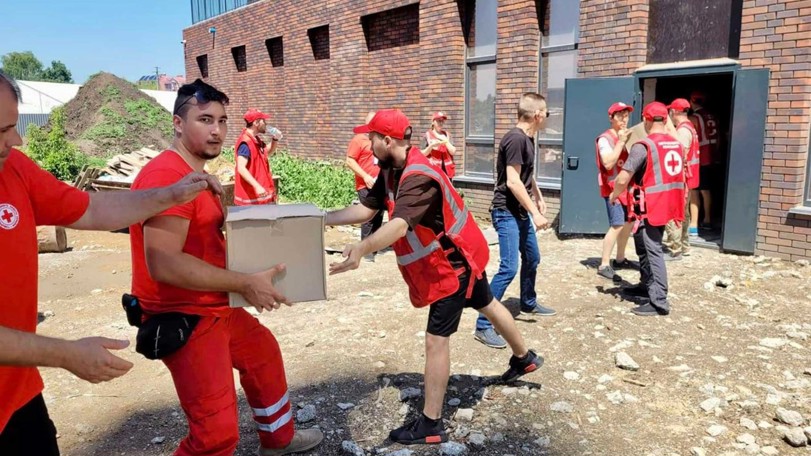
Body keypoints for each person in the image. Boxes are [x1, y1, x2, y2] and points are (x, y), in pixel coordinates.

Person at [0, 70, 225, 456]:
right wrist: (66, 353)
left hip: (16, 392)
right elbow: (165, 263)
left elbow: (93, 209)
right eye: (2, 131)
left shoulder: (14, 169)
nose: (17, 140)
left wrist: (172, 194)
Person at [325, 109, 543, 446]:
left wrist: (361, 248)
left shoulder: (417, 176)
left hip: (451, 266)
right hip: (461, 257)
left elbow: (398, 225)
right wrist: (323, 219)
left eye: (370, 137)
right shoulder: (392, 168)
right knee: (488, 303)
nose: (366, 143)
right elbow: (368, 210)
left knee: (435, 340)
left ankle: (431, 424)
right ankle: (524, 358)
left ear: (386, 140)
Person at [129, 79, 322, 456]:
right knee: (216, 437)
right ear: (178, 123)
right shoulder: (166, 177)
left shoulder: (195, 175)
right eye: (204, 119)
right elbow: (164, 263)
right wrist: (245, 283)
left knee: (262, 353)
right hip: (185, 316)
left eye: (221, 120)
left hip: (216, 306)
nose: (216, 130)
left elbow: (202, 241)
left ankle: (279, 440)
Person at [474, 93, 556, 350]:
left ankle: (528, 303)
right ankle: (483, 325)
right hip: (506, 211)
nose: (547, 117)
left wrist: (539, 196)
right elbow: (511, 180)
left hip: (518, 211)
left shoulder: (528, 139)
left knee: (532, 258)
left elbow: (525, 176)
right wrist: (536, 212)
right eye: (547, 113)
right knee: (509, 267)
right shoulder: (516, 139)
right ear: (538, 115)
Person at [610, 102, 686, 317]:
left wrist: (615, 194)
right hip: (669, 202)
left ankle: (659, 300)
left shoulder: (643, 145)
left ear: (646, 120)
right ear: (666, 119)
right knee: (643, 244)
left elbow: (624, 177)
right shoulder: (676, 144)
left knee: (653, 249)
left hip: (650, 205)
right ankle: (646, 285)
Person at [595, 102, 635, 281]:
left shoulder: (628, 134)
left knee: (627, 224)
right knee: (617, 224)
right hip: (612, 187)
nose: (624, 119)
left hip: (627, 187)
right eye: (620, 116)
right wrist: (621, 142)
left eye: (626, 115)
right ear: (611, 118)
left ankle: (620, 258)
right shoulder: (605, 138)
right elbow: (608, 163)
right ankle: (604, 264)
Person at [663, 98, 700, 261]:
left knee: (673, 212)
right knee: (683, 213)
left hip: (681, 179)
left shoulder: (683, 131)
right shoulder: (689, 127)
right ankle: (684, 246)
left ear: (675, 112)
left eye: (671, 111)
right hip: (688, 178)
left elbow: (680, 153)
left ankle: (675, 249)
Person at [346, 111, 383, 262]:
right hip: (365, 184)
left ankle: (373, 248)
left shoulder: (378, 139)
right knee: (367, 216)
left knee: (378, 215)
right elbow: (349, 161)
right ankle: (366, 252)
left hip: (379, 184)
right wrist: (365, 176)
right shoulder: (358, 140)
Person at [234, 108, 280, 205]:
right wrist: (257, 186)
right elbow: (241, 168)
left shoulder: (255, 140)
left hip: (261, 197)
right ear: (256, 123)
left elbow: (268, 152)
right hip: (251, 199)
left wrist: (275, 139)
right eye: (264, 121)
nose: (266, 124)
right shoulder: (245, 143)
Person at [689, 91, 719, 234]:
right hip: (712, 156)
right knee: (706, 190)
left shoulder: (694, 118)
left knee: (694, 190)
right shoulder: (712, 116)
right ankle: (707, 220)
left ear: (691, 102)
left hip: (699, 157)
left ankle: (693, 224)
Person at [421, 111, 456, 178]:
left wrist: (446, 141)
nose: (441, 123)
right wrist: (431, 146)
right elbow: (422, 154)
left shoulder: (447, 135)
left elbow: (453, 152)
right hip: (433, 172)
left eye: (442, 121)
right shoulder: (427, 135)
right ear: (433, 122)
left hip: (447, 172)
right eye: (438, 121)